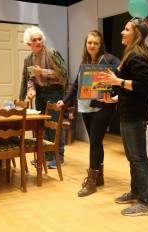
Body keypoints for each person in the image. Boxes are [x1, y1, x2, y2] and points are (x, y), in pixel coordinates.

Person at [99, 18, 148, 216]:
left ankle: (146, 202)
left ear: (136, 34)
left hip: (136, 116)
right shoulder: (131, 55)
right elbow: (131, 90)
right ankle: (136, 191)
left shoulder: (139, 56)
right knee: (133, 158)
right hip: (128, 113)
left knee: (139, 158)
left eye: (126, 29)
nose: (122, 32)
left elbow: (143, 86)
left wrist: (117, 81)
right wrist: (115, 98)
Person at [56, 30, 120, 197]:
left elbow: (120, 78)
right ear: (86, 44)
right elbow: (76, 84)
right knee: (95, 141)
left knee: (95, 141)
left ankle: (91, 182)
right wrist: (65, 100)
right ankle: (99, 177)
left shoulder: (110, 60)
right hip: (85, 106)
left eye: (96, 43)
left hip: (103, 106)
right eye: (89, 43)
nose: (92, 46)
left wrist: (113, 96)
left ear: (101, 45)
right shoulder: (84, 62)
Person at [19, 26, 68, 168]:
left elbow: (63, 73)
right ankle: (46, 155)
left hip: (54, 92)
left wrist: (43, 72)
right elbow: (29, 78)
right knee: (42, 125)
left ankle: (59, 156)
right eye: (34, 40)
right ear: (29, 44)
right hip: (40, 93)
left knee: (54, 125)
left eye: (40, 39)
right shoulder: (28, 59)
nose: (38, 42)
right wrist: (31, 90)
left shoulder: (51, 53)